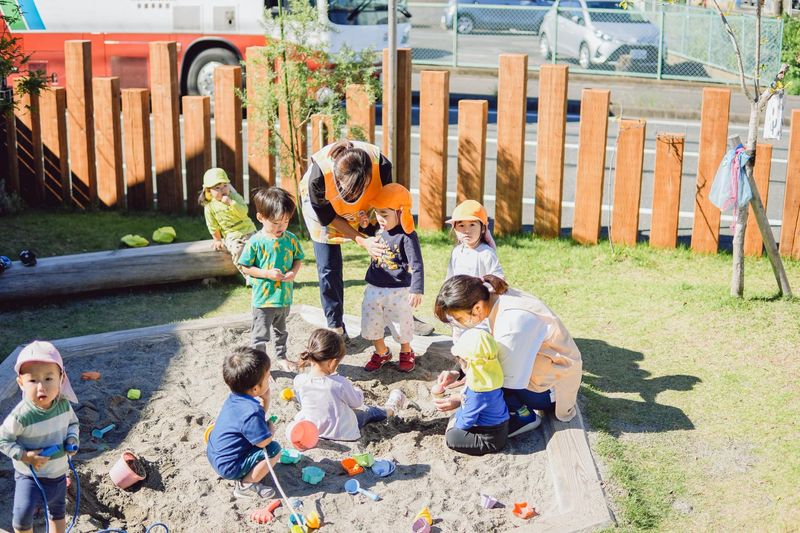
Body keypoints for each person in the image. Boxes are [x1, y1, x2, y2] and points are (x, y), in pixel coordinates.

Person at [298, 140, 433, 341]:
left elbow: (388, 202)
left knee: (389, 251)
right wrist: (361, 240)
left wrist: (370, 230)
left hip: (368, 206)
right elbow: (328, 218)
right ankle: (336, 326)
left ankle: (400, 313)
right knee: (328, 267)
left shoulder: (381, 165)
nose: (354, 194)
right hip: (326, 212)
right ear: (338, 178)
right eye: (349, 189)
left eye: (360, 187)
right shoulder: (319, 178)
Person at [433, 275, 582, 437]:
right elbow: (485, 347)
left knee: (490, 383)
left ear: (476, 308)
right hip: (547, 366)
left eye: (459, 318)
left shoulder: (513, 323)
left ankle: (524, 416)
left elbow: (498, 377)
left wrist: (463, 399)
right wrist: (458, 372)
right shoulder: (493, 297)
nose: (459, 323)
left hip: (551, 390)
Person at [0, 341, 80, 533]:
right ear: (21, 383)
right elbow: (3, 440)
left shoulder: (63, 406)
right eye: (33, 380)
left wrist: (72, 439)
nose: (41, 387)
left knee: (57, 513)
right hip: (29, 477)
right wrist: (25, 456)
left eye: (48, 378)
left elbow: (73, 424)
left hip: (58, 474)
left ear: (61, 378)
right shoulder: (22, 416)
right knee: (22, 517)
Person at [292, 329, 408, 441]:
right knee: (369, 412)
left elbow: (303, 401)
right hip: (343, 431)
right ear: (332, 362)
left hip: (315, 430)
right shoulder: (339, 383)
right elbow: (357, 403)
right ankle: (391, 407)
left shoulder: (299, 380)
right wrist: (358, 391)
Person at [238, 187, 304, 372]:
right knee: (260, 335)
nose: (281, 226)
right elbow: (245, 267)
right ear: (260, 218)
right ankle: (259, 365)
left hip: (284, 297)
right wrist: (267, 274)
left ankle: (281, 357)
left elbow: (298, 258)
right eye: (275, 222)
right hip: (263, 300)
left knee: (281, 331)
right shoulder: (256, 242)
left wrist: (293, 272)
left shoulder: (290, 239)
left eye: (286, 221)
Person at [360, 183, 424, 372]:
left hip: (398, 289)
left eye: (385, 214)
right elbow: (372, 232)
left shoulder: (407, 237)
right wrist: (365, 226)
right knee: (371, 321)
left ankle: (406, 351)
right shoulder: (380, 230)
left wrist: (417, 288)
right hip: (373, 286)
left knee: (400, 322)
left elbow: (417, 264)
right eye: (377, 213)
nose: (379, 218)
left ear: (400, 213)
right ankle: (382, 352)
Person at [207, 346, 282, 500]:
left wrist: (265, 399)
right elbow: (263, 442)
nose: (269, 380)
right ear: (255, 388)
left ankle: (245, 475)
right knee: (274, 449)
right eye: (267, 378)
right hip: (230, 466)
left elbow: (256, 419)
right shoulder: (251, 411)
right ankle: (245, 485)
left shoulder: (234, 399)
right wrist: (271, 432)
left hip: (215, 455)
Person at [444, 199, 504, 341]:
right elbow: (450, 278)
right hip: (459, 306)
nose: (466, 230)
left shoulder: (486, 254)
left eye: (472, 224)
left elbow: (498, 279)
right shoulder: (457, 252)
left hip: (479, 309)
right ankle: (462, 361)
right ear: (455, 229)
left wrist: (484, 288)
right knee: (458, 338)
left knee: (478, 339)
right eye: (461, 225)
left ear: (483, 228)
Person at [444, 329, 509, 456]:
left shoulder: (477, 391)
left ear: (467, 363)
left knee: (452, 436)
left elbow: (466, 422)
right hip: (502, 425)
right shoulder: (490, 375)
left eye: (460, 361)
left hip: (490, 439)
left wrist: (457, 418)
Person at [199, 167, 257, 276]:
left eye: (225, 186)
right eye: (218, 188)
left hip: (249, 229)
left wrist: (231, 203)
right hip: (232, 235)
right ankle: (250, 276)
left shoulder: (235, 197)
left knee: (259, 247)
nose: (223, 190)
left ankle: (265, 272)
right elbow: (212, 225)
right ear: (208, 191)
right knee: (238, 251)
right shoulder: (209, 206)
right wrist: (217, 240)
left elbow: (243, 212)